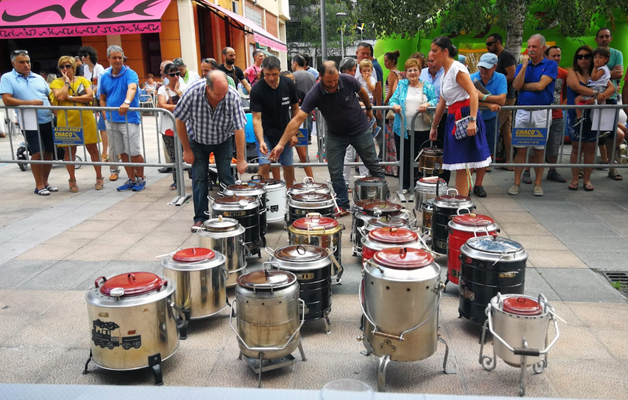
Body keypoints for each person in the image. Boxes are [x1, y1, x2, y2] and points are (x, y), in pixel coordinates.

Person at [269, 61, 385, 216]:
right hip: (335, 134)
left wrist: (369, 110)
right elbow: (297, 119)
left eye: (335, 80)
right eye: (329, 81)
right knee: (335, 171)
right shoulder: (315, 93)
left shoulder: (348, 80)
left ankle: (384, 201)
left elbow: (363, 92)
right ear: (321, 77)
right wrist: (281, 144)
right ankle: (343, 205)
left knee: (373, 165)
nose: (333, 84)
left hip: (359, 130)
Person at [173, 71, 248, 232]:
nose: (222, 97)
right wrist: (186, 149)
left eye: (224, 93)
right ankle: (200, 218)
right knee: (199, 178)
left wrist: (241, 158)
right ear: (208, 87)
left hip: (223, 140)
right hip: (198, 140)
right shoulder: (192, 93)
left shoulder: (232, 96)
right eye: (218, 94)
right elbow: (179, 120)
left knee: (227, 177)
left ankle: (230, 214)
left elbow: (239, 129)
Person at [428, 37, 491, 197]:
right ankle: (462, 201)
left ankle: (462, 202)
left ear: (445, 51)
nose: (431, 54)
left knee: (462, 164)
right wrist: (434, 126)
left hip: (464, 117)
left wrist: (472, 120)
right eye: (431, 50)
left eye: (435, 50)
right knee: (459, 165)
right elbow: (442, 104)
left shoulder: (457, 68)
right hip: (454, 119)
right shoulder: (444, 75)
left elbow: (473, 93)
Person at [0, 50, 58, 195]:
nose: (26, 65)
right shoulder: (7, 78)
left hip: (47, 119)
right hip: (29, 120)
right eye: (22, 62)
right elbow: (7, 100)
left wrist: (57, 114)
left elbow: (49, 97)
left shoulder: (38, 78)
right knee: (37, 152)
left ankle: (45, 182)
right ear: (13, 63)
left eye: (28, 62)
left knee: (49, 151)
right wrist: (30, 103)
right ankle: (38, 185)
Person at [509, 34, 557, 197]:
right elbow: (516, 85)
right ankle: (516, 182)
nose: (530, 50)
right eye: (528, 46)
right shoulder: (523, 65)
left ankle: (538, 183)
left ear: (543, 48)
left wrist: (524, 87)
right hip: (523, 112)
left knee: (539, 149)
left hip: (542, 113)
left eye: (534, 47)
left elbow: (540, 86)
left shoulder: (550, 64)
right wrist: (523, 67)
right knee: (520, 148)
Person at [49, 56, 103, 192]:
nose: (65, 69)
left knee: (93, 148)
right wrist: (66, 83)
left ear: (74, 67)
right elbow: (60, 97)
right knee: (70, 150)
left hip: (85, 118)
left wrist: (71, 97)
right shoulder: (56, 82)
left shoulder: (83, 80)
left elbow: (90, 96)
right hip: (66, 120)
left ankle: (99, 177)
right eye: (62, 67)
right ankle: (72, 179)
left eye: (67, 66)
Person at [566, 45, 616, 191]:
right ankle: (575, 179)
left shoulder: (601, 73)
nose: (583, 59)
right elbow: (576, 87)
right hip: (577, 115)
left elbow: (612, 87)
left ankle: (587, 180)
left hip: (594, 115)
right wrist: (596, 93)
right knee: (576, 148)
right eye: (579, 56)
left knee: (591, 147)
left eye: (586, 56)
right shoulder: (573, 73)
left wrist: (603, 95)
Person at [98, 45, 146, 192]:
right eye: (114, 57)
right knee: (122, 152)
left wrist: (126, 102)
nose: (118, 60)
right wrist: (105, 112)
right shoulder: (105, 77)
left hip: (129, 119)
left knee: (134, 152)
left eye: (120, 57)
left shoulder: (130, 73)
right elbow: (102, 97)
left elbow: (132, 88)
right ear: (108, 59)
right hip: (112, 120)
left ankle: (141, 178)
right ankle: (131, 179)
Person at [250, 56, 300, 188]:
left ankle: (289, 193)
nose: (271, 78)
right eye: (267, 75)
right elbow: (256, 119)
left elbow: (296, 109)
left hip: (285, 131)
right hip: (265, 133)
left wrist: (294, 133)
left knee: (288, 166)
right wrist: (261, 141)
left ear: (279, 71)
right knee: (265, 165)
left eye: (274, 74)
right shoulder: (257, 89)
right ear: (262, 72)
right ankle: (262, 196)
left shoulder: (288, 84)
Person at [389, 58, 438, 193]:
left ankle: (417, 184)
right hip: (403, 128)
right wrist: (395, 105)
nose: (412, 73)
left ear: (419, 71)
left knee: (419, 157)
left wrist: (427, 104)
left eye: (415, 70)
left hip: (422, 128)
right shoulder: (402, 85)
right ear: (406, 72)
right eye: (409, 70)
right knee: (403, 157)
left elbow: (435, 100)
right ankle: (404, 185)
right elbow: (393, 99)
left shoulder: (427, 86)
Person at [469, 53, 507, 197]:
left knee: (486, 154)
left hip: (491, 120)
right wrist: (489, 102)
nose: (483, 71)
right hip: (474, 119)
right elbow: (469, 98)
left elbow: (502, 100)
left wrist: (482, 97)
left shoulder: (501, 78)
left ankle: (478, 184)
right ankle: (467, 184)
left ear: (494, 67)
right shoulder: (472, 77)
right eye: (481, 67)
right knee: (471, 152)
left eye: (487, 68)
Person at [79, 46, 112, 178]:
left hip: (99, 98)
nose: (83, 58)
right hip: (91, 99)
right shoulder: (85, 69)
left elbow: (100, 84)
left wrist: (91, 93)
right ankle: (106, 152)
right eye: (82, 56)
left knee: (103, 125)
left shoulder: (99, 68)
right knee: (99, 126)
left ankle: (105, 152)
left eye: (85, 56)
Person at [486, 33, 518, 167]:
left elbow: (512, 75)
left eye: (489, 44)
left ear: (498, 43)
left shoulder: (506, 56)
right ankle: (510, 160)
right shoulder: (498, 57)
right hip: (502, 96)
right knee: (505, 130)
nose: (487, 47)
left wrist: (497, 82)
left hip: (506, 97)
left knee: (494, 127)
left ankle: (486, 162)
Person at [339, 58, 368, 189]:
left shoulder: (349, 82)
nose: (353, 73)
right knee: (349, 155)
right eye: (352, 70)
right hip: (348, 125)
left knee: (360, 154)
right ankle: (347, 182)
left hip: (356, 124)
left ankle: (363, 181)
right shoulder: (343, 82)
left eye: (354, 71)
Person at [280, 70, 314, 179]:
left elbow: (306, 109)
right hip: (282, 129)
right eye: (289, 80)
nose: (292, 83)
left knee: (303, 156)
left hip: (299, 129)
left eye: (293, 80)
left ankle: (311, 180)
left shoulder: (300, 93)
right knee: (285, 158)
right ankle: (288, 182)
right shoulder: (278, 93)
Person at [542, 46, 569, 183]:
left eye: (559, 55)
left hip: (556, 113)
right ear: (547, 57)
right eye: (554, 55)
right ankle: (527, 171)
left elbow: (566, 91)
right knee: (534, 144)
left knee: (554, 144)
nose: (557, 58)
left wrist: (563, 103)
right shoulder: (540, 70)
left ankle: (552, 171)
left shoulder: (564, 73)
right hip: (540, 113)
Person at [157, 63, 186, 191]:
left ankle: (194, 178)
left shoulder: (184, 86)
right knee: (174, 156)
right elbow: (162, 104)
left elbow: (187, 102)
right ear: (166, 75)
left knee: (189, 154)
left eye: (177, 74)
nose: (175, 77)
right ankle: (177, 180)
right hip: (169, 128)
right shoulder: (162, 89)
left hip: (185, 127)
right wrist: (180, 107)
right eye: (172, 74)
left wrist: (178, 91)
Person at [356, 43, 384, 158]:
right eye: (363, 53)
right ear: (357, 53)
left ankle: (381, 158)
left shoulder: (374, 67)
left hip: (372, 103)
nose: (366, 55)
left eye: (368, 53)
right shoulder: (357, 68)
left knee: (377, 135)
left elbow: (378, 88)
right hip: (360, 102)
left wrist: (377, 109)